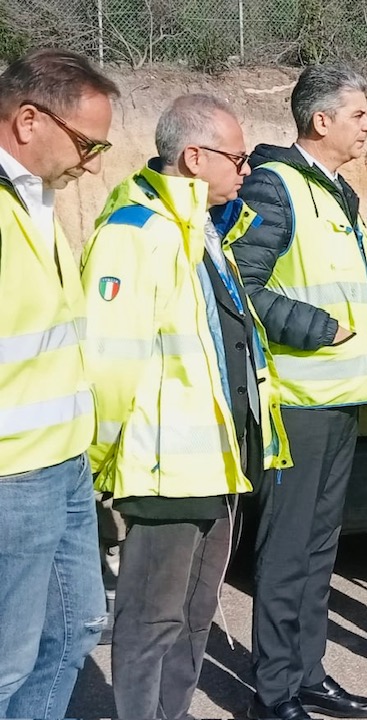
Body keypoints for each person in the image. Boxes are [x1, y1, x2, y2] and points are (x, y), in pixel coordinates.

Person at [81, 93, 291, 719]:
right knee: (150, 622)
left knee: (195, 620)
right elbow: (108, 361)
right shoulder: (134, 234)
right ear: (195, 157)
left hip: (216, 469)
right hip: (166, 471)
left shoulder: (202, 232)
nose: (246, 170)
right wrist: (97, 458)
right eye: (238, 157)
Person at [229, 66, 367, 720]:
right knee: (287, 552)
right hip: (297, 404)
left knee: (319, 552)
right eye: (359, 114)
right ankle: (275, 694)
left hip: (339, 402)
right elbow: (240, 282)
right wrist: (317, 328)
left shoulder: (333, 192)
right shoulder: (276, 188)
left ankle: (309, 675)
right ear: (320, 120)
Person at [0, 48, 117, 719]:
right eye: (87, 143)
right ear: (27, 121)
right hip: (15, 476)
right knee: (8, 658)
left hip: (64, 464)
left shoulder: (36, 199)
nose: (95, 162)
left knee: (72, 629)